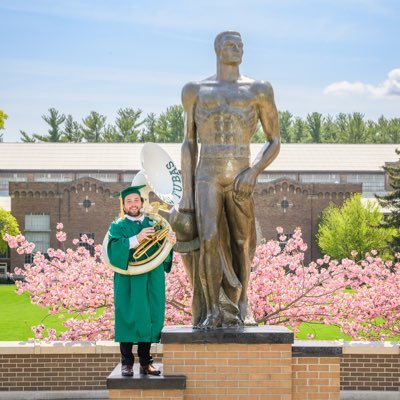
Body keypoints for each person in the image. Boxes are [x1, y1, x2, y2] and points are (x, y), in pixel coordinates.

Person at [179, 31, 281, 329]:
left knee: (242, 241)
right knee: (208, 238)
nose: (235, 49)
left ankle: (244, 302)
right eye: (229, 44)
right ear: (216, 49)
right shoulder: (195, 89)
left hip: (240, 173)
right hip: (207, 173)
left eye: (239, 45)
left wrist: (254, 171)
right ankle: (212, 309)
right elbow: (188, 142)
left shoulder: (258, 89)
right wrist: (187, 193)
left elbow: (274, 140)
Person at [107, 184, 176, 376]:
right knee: (127, 316)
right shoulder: (118, 226)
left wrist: (169, 244)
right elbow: (113, 251)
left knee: (149, 316)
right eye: (128, 201)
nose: (133, 204)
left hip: (151, 276)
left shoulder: (155, 223)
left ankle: (146, 362)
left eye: (136, 200)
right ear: (123, 205)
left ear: (142, 202)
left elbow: (162, 253)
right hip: (128, 277)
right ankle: (126, 363)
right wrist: (137, 238)